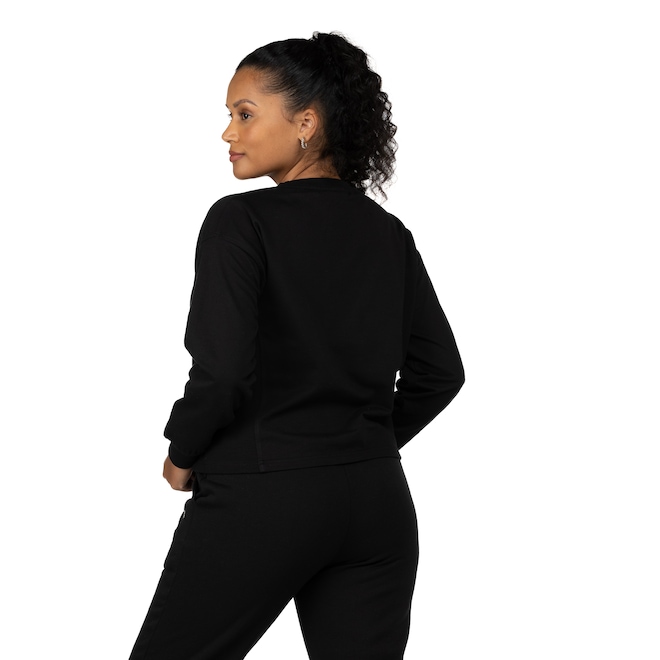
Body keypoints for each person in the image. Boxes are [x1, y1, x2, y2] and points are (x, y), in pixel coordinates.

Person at [129, 31, 464, 660]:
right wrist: (359, 442)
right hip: (376, 503)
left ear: (306, 123)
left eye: (244, 114)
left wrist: (182, 450)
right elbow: (441, 371)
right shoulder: (388, 233)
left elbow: (224, 373)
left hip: (263, 498)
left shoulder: (240, 221)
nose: (228, 133)